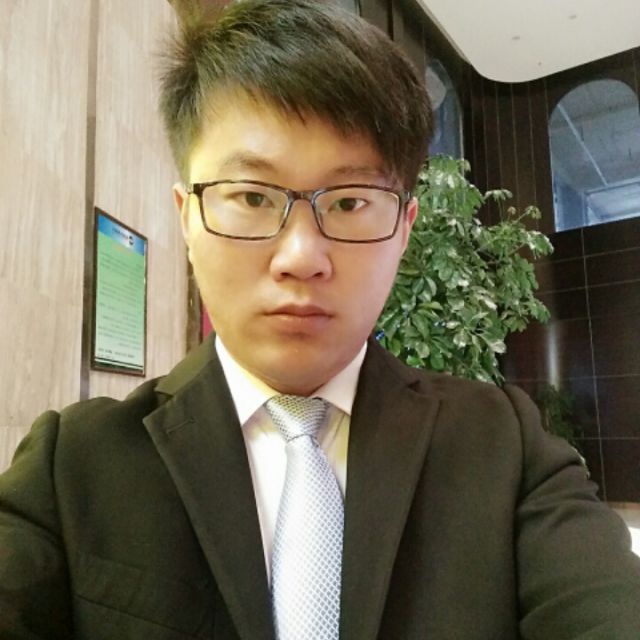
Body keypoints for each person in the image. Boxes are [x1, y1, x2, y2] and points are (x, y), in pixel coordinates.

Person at [1, 1, 639, 638]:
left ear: (404, 230)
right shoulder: (71, 467)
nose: (302, 257)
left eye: (351, 202)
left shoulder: (504, 448)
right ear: (187, 219)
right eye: (252, 196)